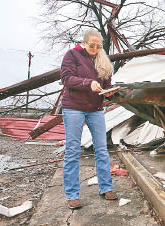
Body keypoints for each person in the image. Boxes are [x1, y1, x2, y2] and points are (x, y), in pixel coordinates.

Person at [60, 29, 119, 209]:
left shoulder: (102, 60)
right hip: (73, 108)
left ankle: (106, 188)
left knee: (101, 149)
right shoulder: (72, 55)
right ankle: (72, 195)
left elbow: (106, 85)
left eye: (98, 46)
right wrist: (87, 83)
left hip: (95, 109)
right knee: (72, 150)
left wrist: (110, 93)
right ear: (84, 43)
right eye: (91, 45)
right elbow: (66, 78)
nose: (94, 48)